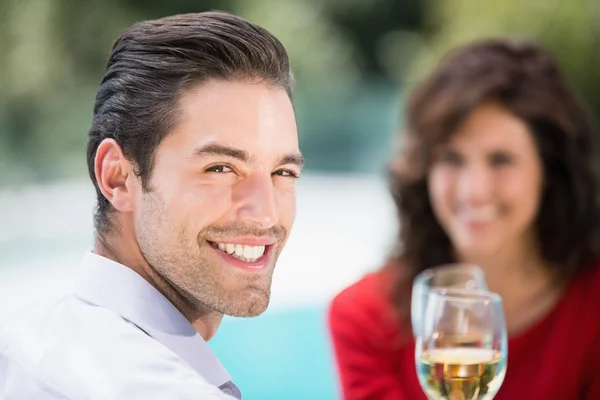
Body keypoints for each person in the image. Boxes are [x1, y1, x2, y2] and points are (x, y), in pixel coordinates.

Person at [0, 11, 303, 399]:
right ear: (118, 177)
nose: (265, 213)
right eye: (221, 168)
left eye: (283, 173)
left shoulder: (26, 342)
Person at [328, 38, 600, 399]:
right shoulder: (364, 317)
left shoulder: (591, 304)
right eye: (451, 158)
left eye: (501, 160)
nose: (474, 191)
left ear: (550, 172)